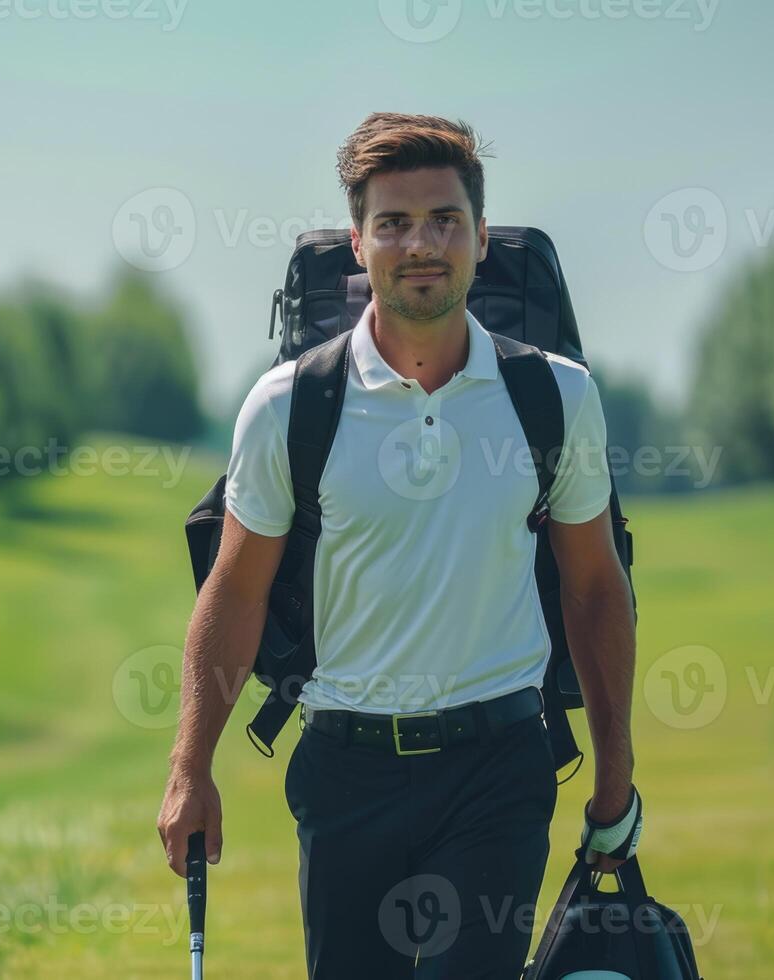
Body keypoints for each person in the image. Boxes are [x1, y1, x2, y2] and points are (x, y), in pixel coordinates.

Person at [157, 111, 640, 979]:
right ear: (358, 242)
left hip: (499, 767)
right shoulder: (288, 404)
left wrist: (616, 773)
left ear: (482, 238)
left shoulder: (556, 397)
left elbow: (595, 588)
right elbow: (234, 592)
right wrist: (190, 768)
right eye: (395, 223)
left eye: (446, 220)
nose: (422, 243)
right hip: (346, 774)